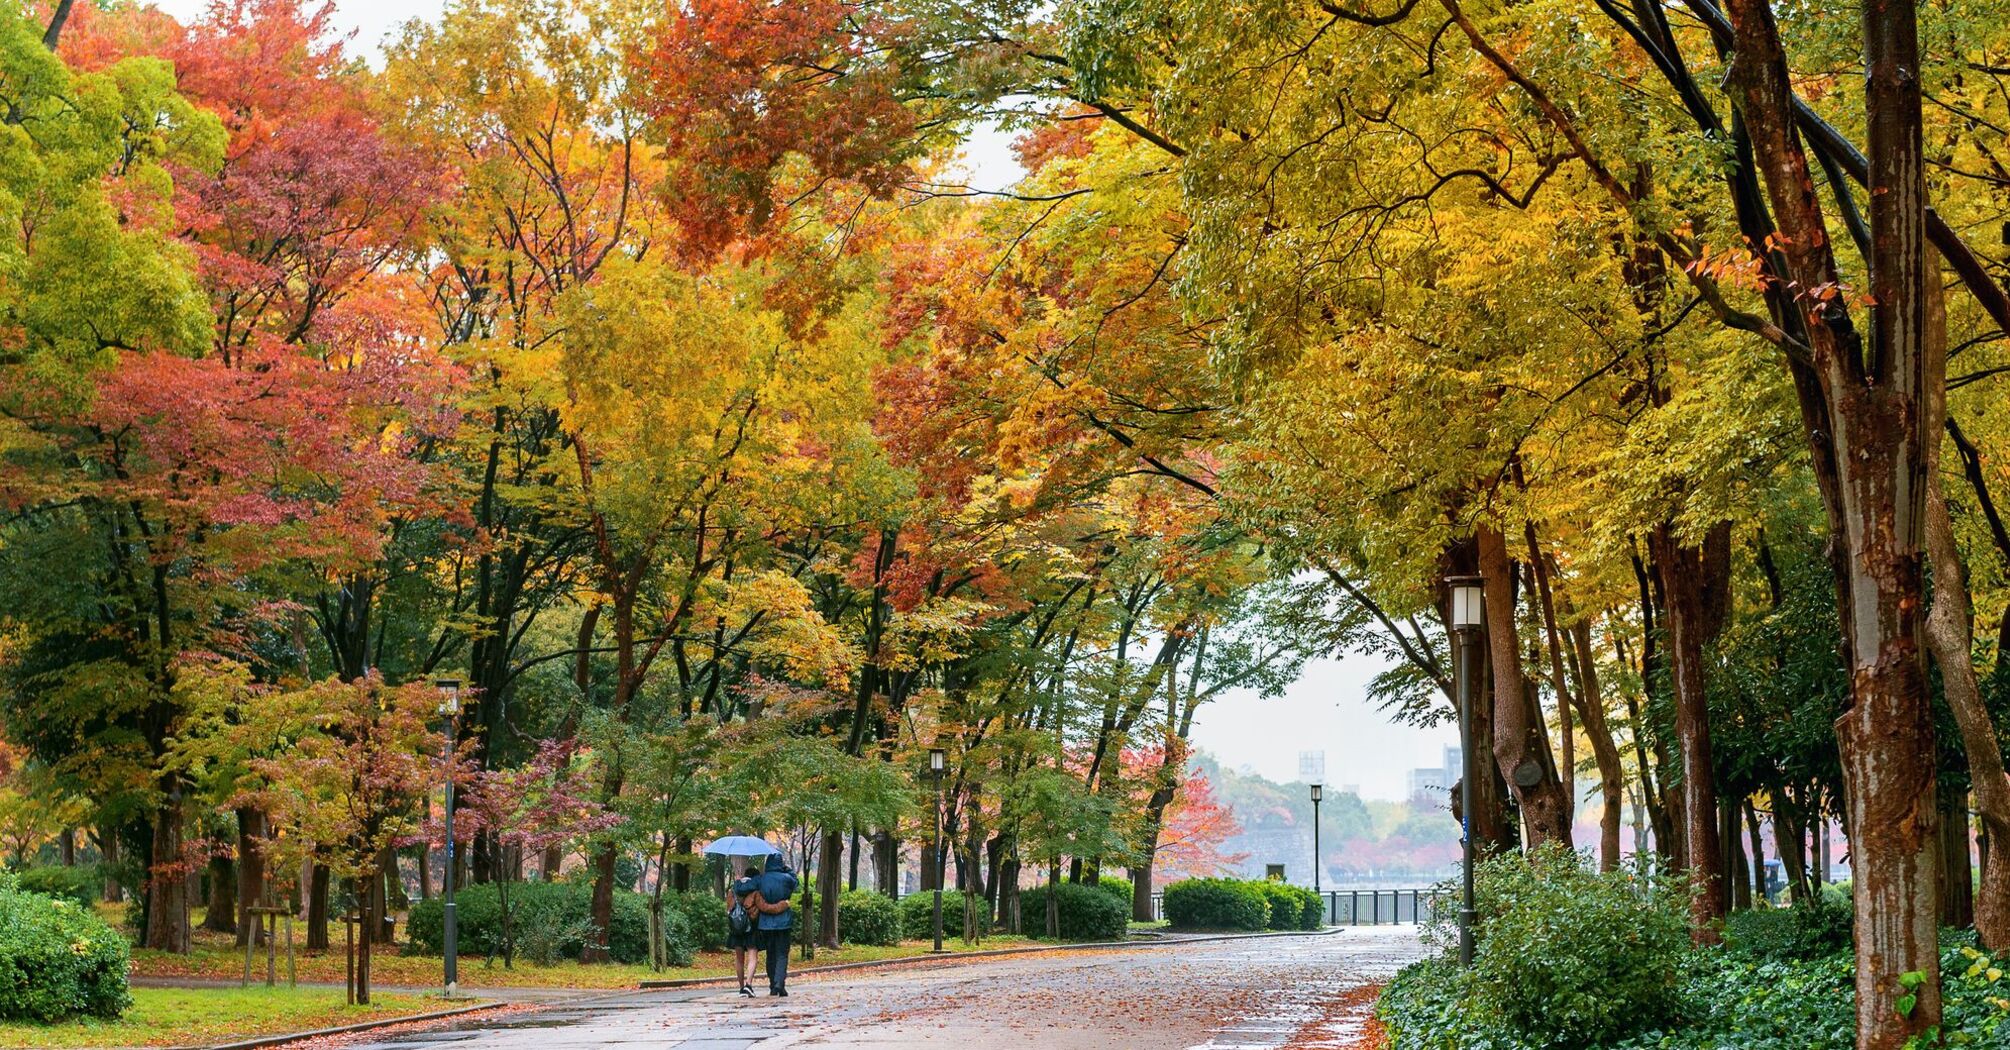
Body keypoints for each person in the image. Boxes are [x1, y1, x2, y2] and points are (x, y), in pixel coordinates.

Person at [754, 852, 799, 996]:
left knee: (770, 954)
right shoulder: (786, 879)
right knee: (782, 954)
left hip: (765, 923)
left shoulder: (761, 879)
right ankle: (780, 983)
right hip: (783, 922)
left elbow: (745, 887)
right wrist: (786, 869)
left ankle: (773, 984)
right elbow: (796, 881)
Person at [727, 865, 765, 997]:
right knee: (752, 957)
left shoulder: (734, 889)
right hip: (751, 927)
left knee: (739, 959)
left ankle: (741, 987)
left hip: (736, 928)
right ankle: (749, 984)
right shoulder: (755, 890)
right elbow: (761, 906)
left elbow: (729, 908)